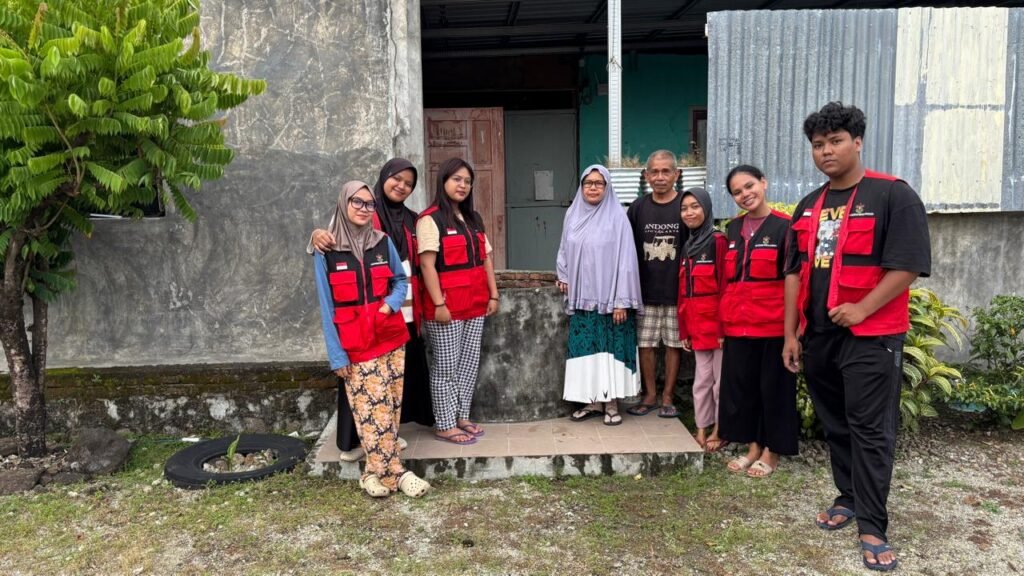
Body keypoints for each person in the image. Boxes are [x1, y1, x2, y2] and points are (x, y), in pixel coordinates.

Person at [784, 102, 930, 572]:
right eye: (818, 144)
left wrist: (864, 307)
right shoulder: (810, 205)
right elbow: (795, 271)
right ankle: (847, 496)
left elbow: (908, 263)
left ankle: (872, 525)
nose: (826, 151)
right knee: (836, 423)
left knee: (870, 430)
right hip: (819, 335)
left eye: (836, 141)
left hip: (872, 335)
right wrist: (791, 334)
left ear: (858, 142)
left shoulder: (892, 195)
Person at [309, 159, 433, 461]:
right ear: (384, 178)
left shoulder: (410, 220)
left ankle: (387, 435)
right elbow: (330, 244)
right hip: (357, 318)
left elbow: (406, 270)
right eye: (397, 179)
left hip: (397, 308)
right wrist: (314, 236)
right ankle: (355, 441)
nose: (402, 186)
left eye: (409, 183)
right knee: (359, 381)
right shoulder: (348, 226)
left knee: (390, 382)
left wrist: (393, 304)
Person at [718, 165, 799, 478]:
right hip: (737, 325)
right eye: (737, 192)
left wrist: (793, 332)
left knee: (773, 390)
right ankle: (753, 446)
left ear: (763, 183)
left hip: (772, 325)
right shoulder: (733, 229)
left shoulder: (785, 227)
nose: (745, 195)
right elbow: (728, 281)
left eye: (749, 186)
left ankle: (771, 451)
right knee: (744, 389)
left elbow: (794, 279)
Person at [416, 157, 500, 445]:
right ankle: (445, 423)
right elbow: (427, 265)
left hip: (475, 303)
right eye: (457, 179)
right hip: (447, 307)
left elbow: (486, 259)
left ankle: (462, 416)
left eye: (467, 181)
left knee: (468, 364)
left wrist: (493, 294)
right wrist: (438, 304)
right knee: (446, 368)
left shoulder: (473, 218)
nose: (462, 185)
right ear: (443, 181)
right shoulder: (430, 219)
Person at [556, 165, 643, 426]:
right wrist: (563, 275)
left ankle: (612, 403)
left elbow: (627, 261)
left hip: (611, 301)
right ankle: (592, 401)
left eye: (599, 183)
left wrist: (621, 301)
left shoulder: (618, 217)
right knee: (586, 351)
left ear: (607, 187)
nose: (593, 188)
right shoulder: (572, 214)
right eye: (588, 183)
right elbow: (564, 249)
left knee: (609, 351)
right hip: (583, 299)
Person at [625, 150, 689, 418]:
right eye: (654, 171)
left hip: (678, 293)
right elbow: (626, 249)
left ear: (676, 174)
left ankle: (668, 396)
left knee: (674, 345)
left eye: (666, 171)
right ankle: (650, 394)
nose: (660, 177)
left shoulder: (686, 205)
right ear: (646, 175)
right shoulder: (637, 208)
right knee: (646, 344)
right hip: (645, 292)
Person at [676, 187, 728, 451]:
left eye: (695, 207)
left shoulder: (718, 241)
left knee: (720, 383)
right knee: (701, 381)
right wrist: (684, 330)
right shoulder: (688, 245)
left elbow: (726, 287)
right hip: (696, 325)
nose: (689, 213)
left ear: (706, 209)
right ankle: (701, 428)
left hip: (717, 327)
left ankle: (720, 429)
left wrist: (723, 328)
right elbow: (683, 292)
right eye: (684, 208)